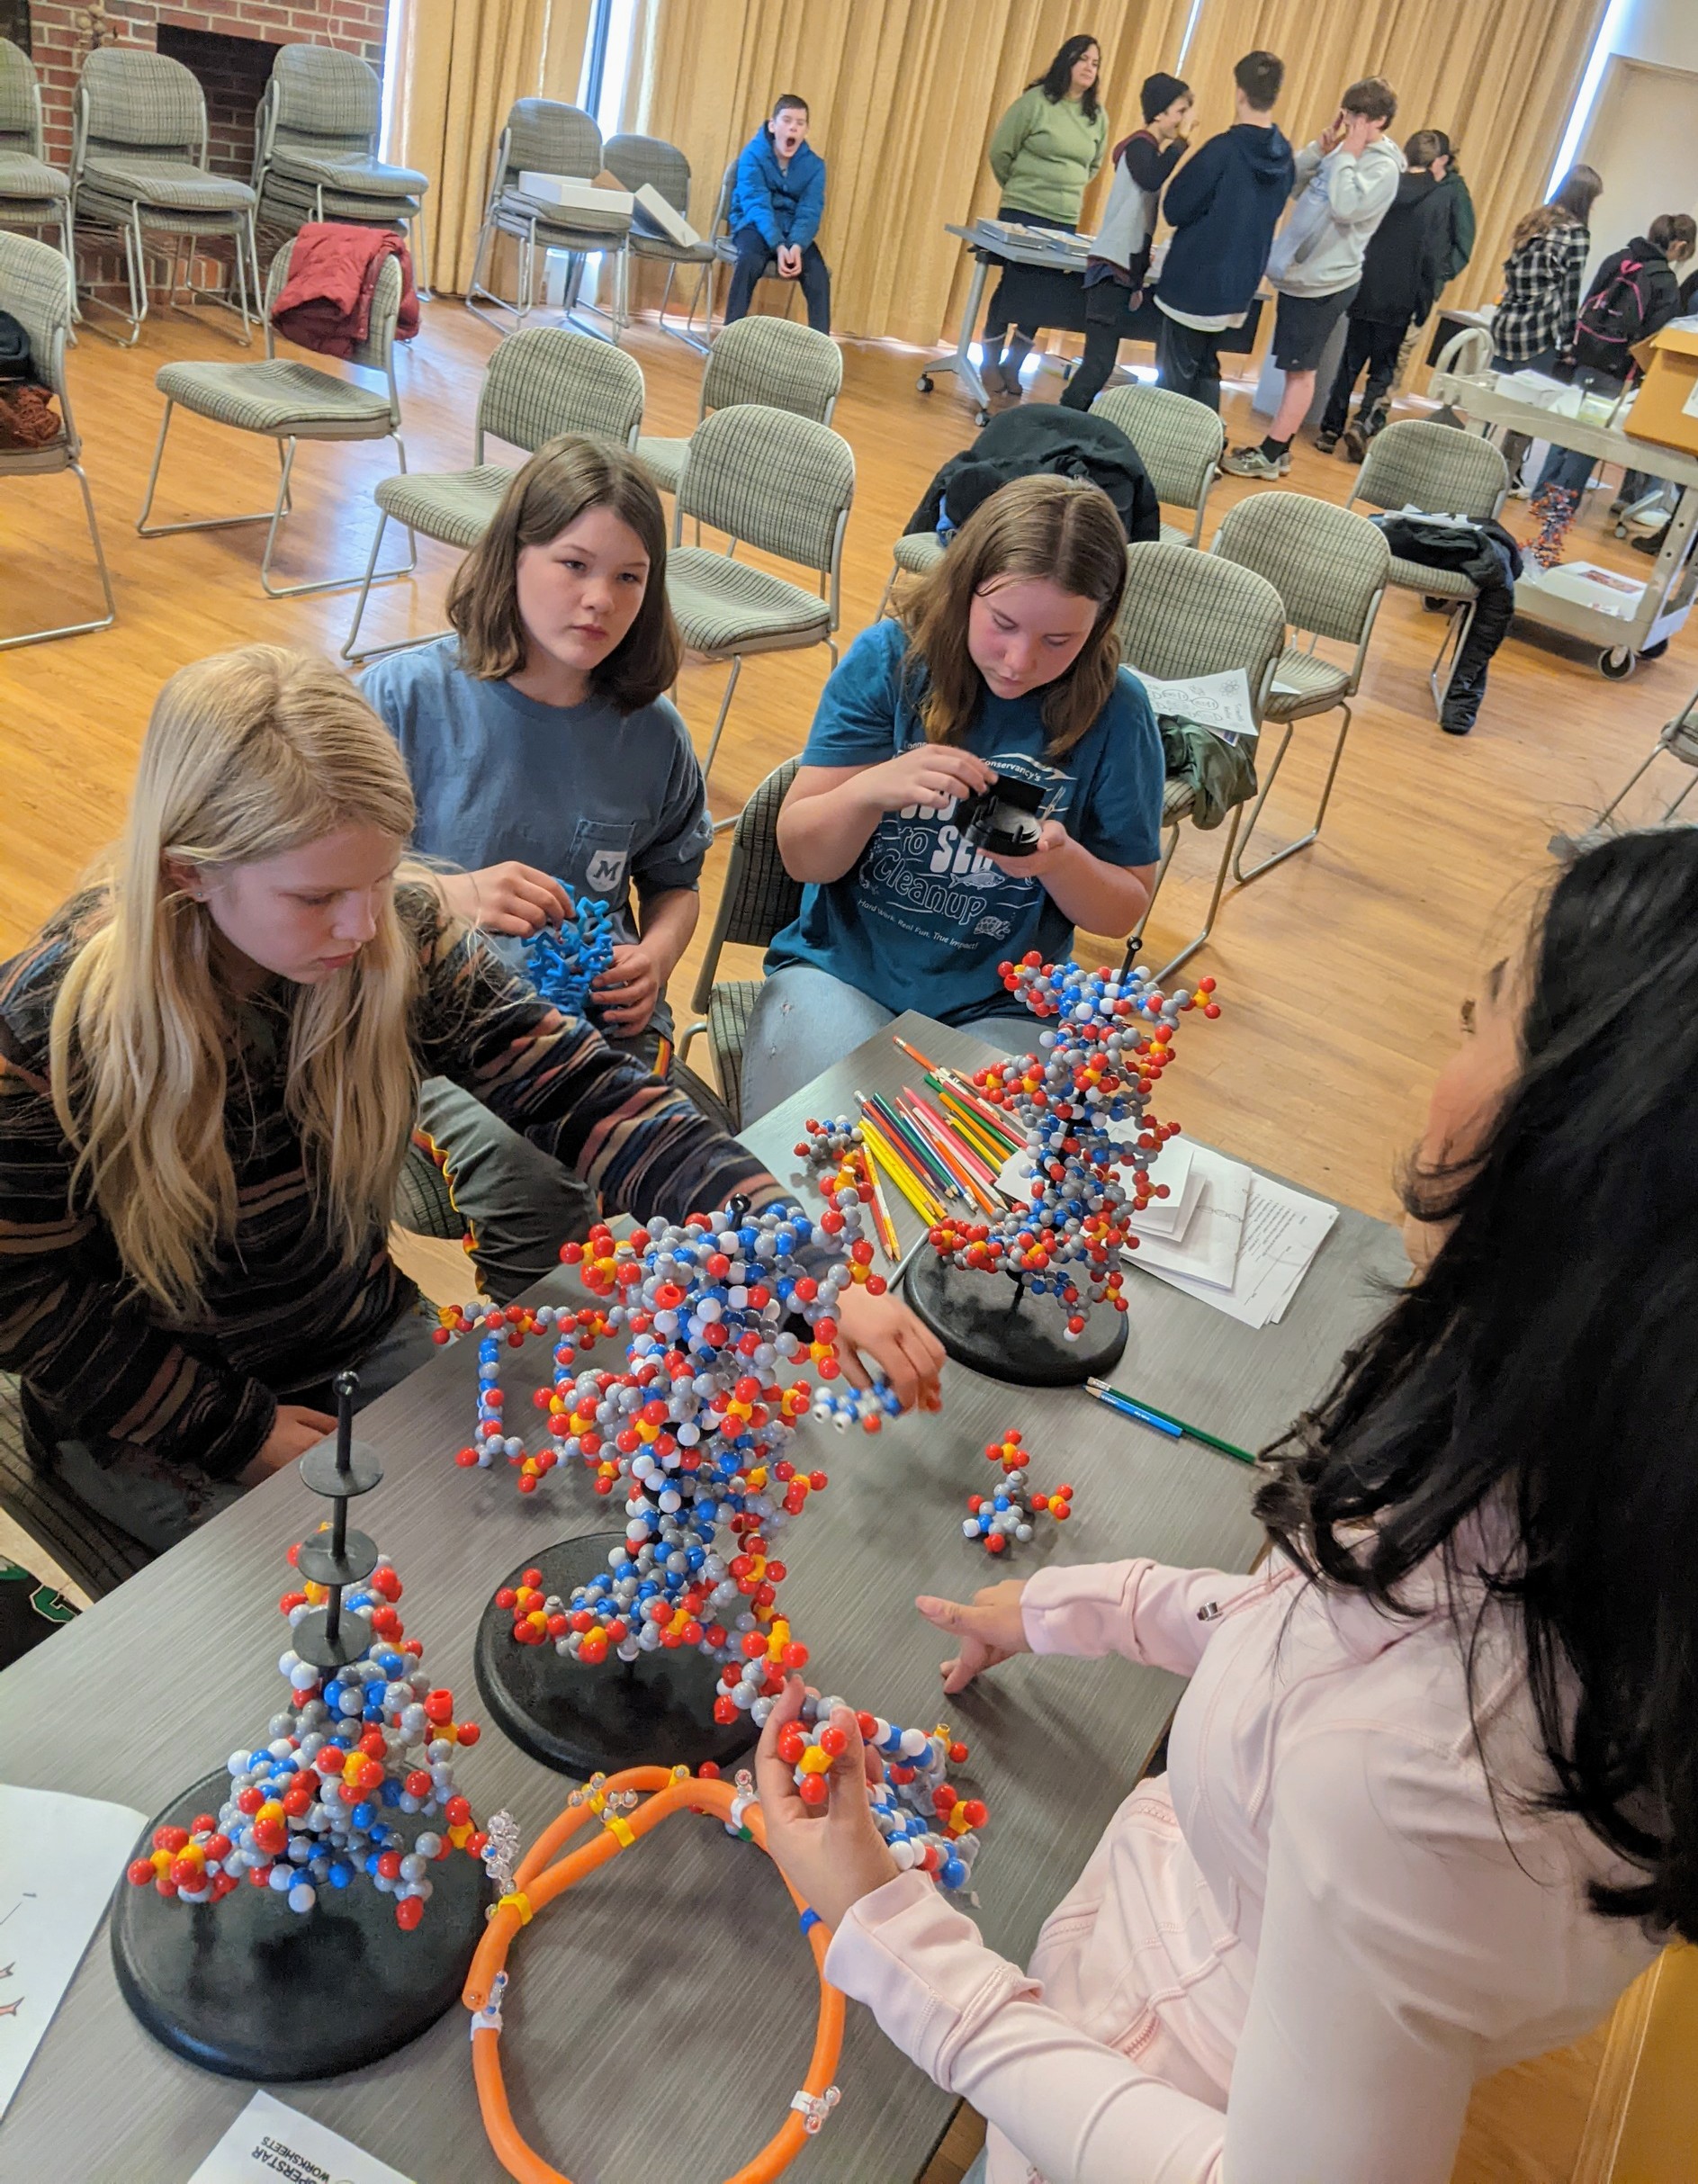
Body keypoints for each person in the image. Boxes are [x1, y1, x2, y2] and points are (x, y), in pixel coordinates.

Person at [756, 823, 1698, 2184]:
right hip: (1187, 1930)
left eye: (1479, 1011)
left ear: (1572, 1148)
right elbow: (1322, 1635)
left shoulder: (1419, 1778)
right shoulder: (1579, 1463)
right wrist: (1094, 1603)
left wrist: (881, 1922)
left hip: (1157, 2076)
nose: (1443, 1044)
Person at [0, 649, 943, 1551]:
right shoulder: (47, 1034)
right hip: (145, 1407)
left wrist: (799, 1262)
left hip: (350, 1337)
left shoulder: (390, 939)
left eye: (379, 879)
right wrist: (229, 1428)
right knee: (355, 1598)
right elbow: (23, 1300)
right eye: (318, 896)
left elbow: (584, 1092)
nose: (363, 924)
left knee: (522, 1534)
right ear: (186, 872)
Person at [362, 436, 714, 1303]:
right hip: (432, 1031)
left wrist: (658, 956)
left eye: (629, 577)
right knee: (538, 1178)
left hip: (602, 1023)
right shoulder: (404, 698)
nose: (598, 600)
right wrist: (450, 893)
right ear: (512, 554)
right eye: (572, 564)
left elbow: (675, 883)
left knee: (701, 1180)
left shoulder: (653, 732)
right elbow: (316, 889)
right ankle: (534, 1356)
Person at [740, 475, 1163, 1120]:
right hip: (838, 975)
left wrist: (1060, 861)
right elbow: (803, 858)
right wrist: (865, 792)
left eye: (1059, 641)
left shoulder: (1118, 710)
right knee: (829, 1157)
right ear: (965, 589)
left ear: (1099, 624)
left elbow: (1121, 909)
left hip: (1002, 1006)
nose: (1019, 661)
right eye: (1002, 624)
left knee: (977, 1195)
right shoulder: (890, 661)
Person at [1225, 76, 1402, 480]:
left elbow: (1344, 207)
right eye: (1349, 114)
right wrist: (1321, 150)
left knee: (1301, 370)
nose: (1353, 123)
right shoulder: (1343, 151)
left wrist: (1346, 156)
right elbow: (1295, 187)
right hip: (1299, 272)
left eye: (1362, 118)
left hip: (1326, 281)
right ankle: (1279, 449)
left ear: (1380, 122)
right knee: (1292, 367)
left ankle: (1272, 453)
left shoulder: (1384, 167)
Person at [1152, 49, 1294, 414]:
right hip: (1238, 287)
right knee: (1205, 367)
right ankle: (1205, 455)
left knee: (1175, 377)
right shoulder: (1284, 157)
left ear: (1240, 93)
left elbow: (1174, 209)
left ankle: (1166, 458)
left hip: (1194, 283)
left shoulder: (1222, 150)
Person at [1530, 211, 1696, 504]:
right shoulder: (1664, 281)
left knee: (1567, 425)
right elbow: (1654, 336)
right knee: (1591, 437)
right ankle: (1562, 504)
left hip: (1585, 357)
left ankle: (1542, 492)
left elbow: (1587, 302)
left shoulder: (1618, 258)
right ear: (1679, 245)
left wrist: (1572, 344)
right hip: (1618, 368)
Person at [980, 34, 1109, 397]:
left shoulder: (1096, 116)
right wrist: (1023, 188)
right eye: (1083, 59)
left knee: (1043, 294)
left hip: (1063, 216)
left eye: (1095, 63)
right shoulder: (1034, 102)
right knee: (1014, 287)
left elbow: (1094, 164)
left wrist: (1064, 191)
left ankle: (1014, 364)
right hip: (1022, 209)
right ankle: (989, 361)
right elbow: (1001, 152)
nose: (1089, 67)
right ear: (1066, 61)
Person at [1057, 71, 1192, 414]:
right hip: (1109, 267)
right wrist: (1180, 145)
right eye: (1180, 111)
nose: (1184, 120)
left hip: (1121, 268)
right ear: (1160, 112)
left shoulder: (1147, 149)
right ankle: (1062, 419)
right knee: (1098, 364)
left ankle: (1066, 418)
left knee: (1100, 363)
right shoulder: (1139, 146)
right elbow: (1151, 178)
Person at [1316, 128, 1450, 461]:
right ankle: (1362, 423)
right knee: (1383, 369)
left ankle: (1330, 429)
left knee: (1350, 361)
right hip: (1402, 297)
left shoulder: (1387, 183)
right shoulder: (1438, 198)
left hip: (1366, 285)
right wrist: (1425, 301)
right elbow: (1433, 257)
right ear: (1436, 162)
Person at [1488, 165, 1603, 490]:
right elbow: (1569, 294)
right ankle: (1506, 476)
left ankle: (1475, 459)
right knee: (1527, 411)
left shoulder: (1534, 221)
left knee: (1492, 403)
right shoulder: (1577, 234)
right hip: (1538, 331)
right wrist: (1569, 344)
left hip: (1506, 323)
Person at [724, 94, 831, 334]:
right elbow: (756, 203)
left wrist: (796, 245)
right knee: (749, 260)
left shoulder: (815, 166)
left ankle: (822, 349)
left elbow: (810, 211)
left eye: (800, 123)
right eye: (786, 120)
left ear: (805, 130)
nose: (793, 126)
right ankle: (730, 337)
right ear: (773, 125)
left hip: (792, 230)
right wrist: (778, 245)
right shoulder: (752, 155)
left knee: (818, 275)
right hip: (754, 225)